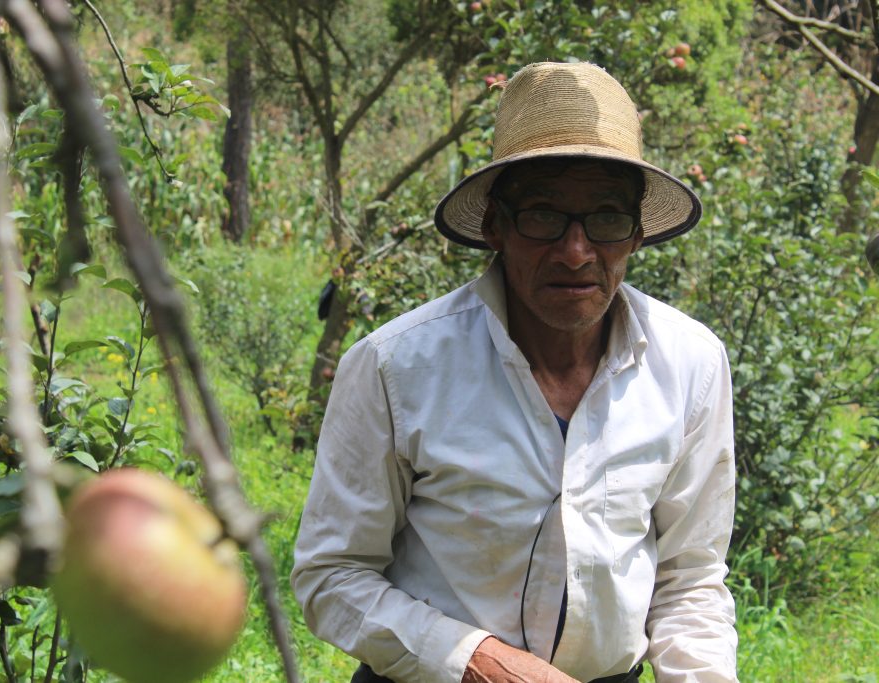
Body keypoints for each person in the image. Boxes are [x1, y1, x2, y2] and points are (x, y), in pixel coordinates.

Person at [291, 62, 738, 683]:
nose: (576, 251)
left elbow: (690, 578)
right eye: (542, 215)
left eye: (605, 218)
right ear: (495, 226)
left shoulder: (690, 364)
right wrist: (477, 661)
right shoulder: (395, 367)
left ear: (636, 234)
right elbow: (331, 577)